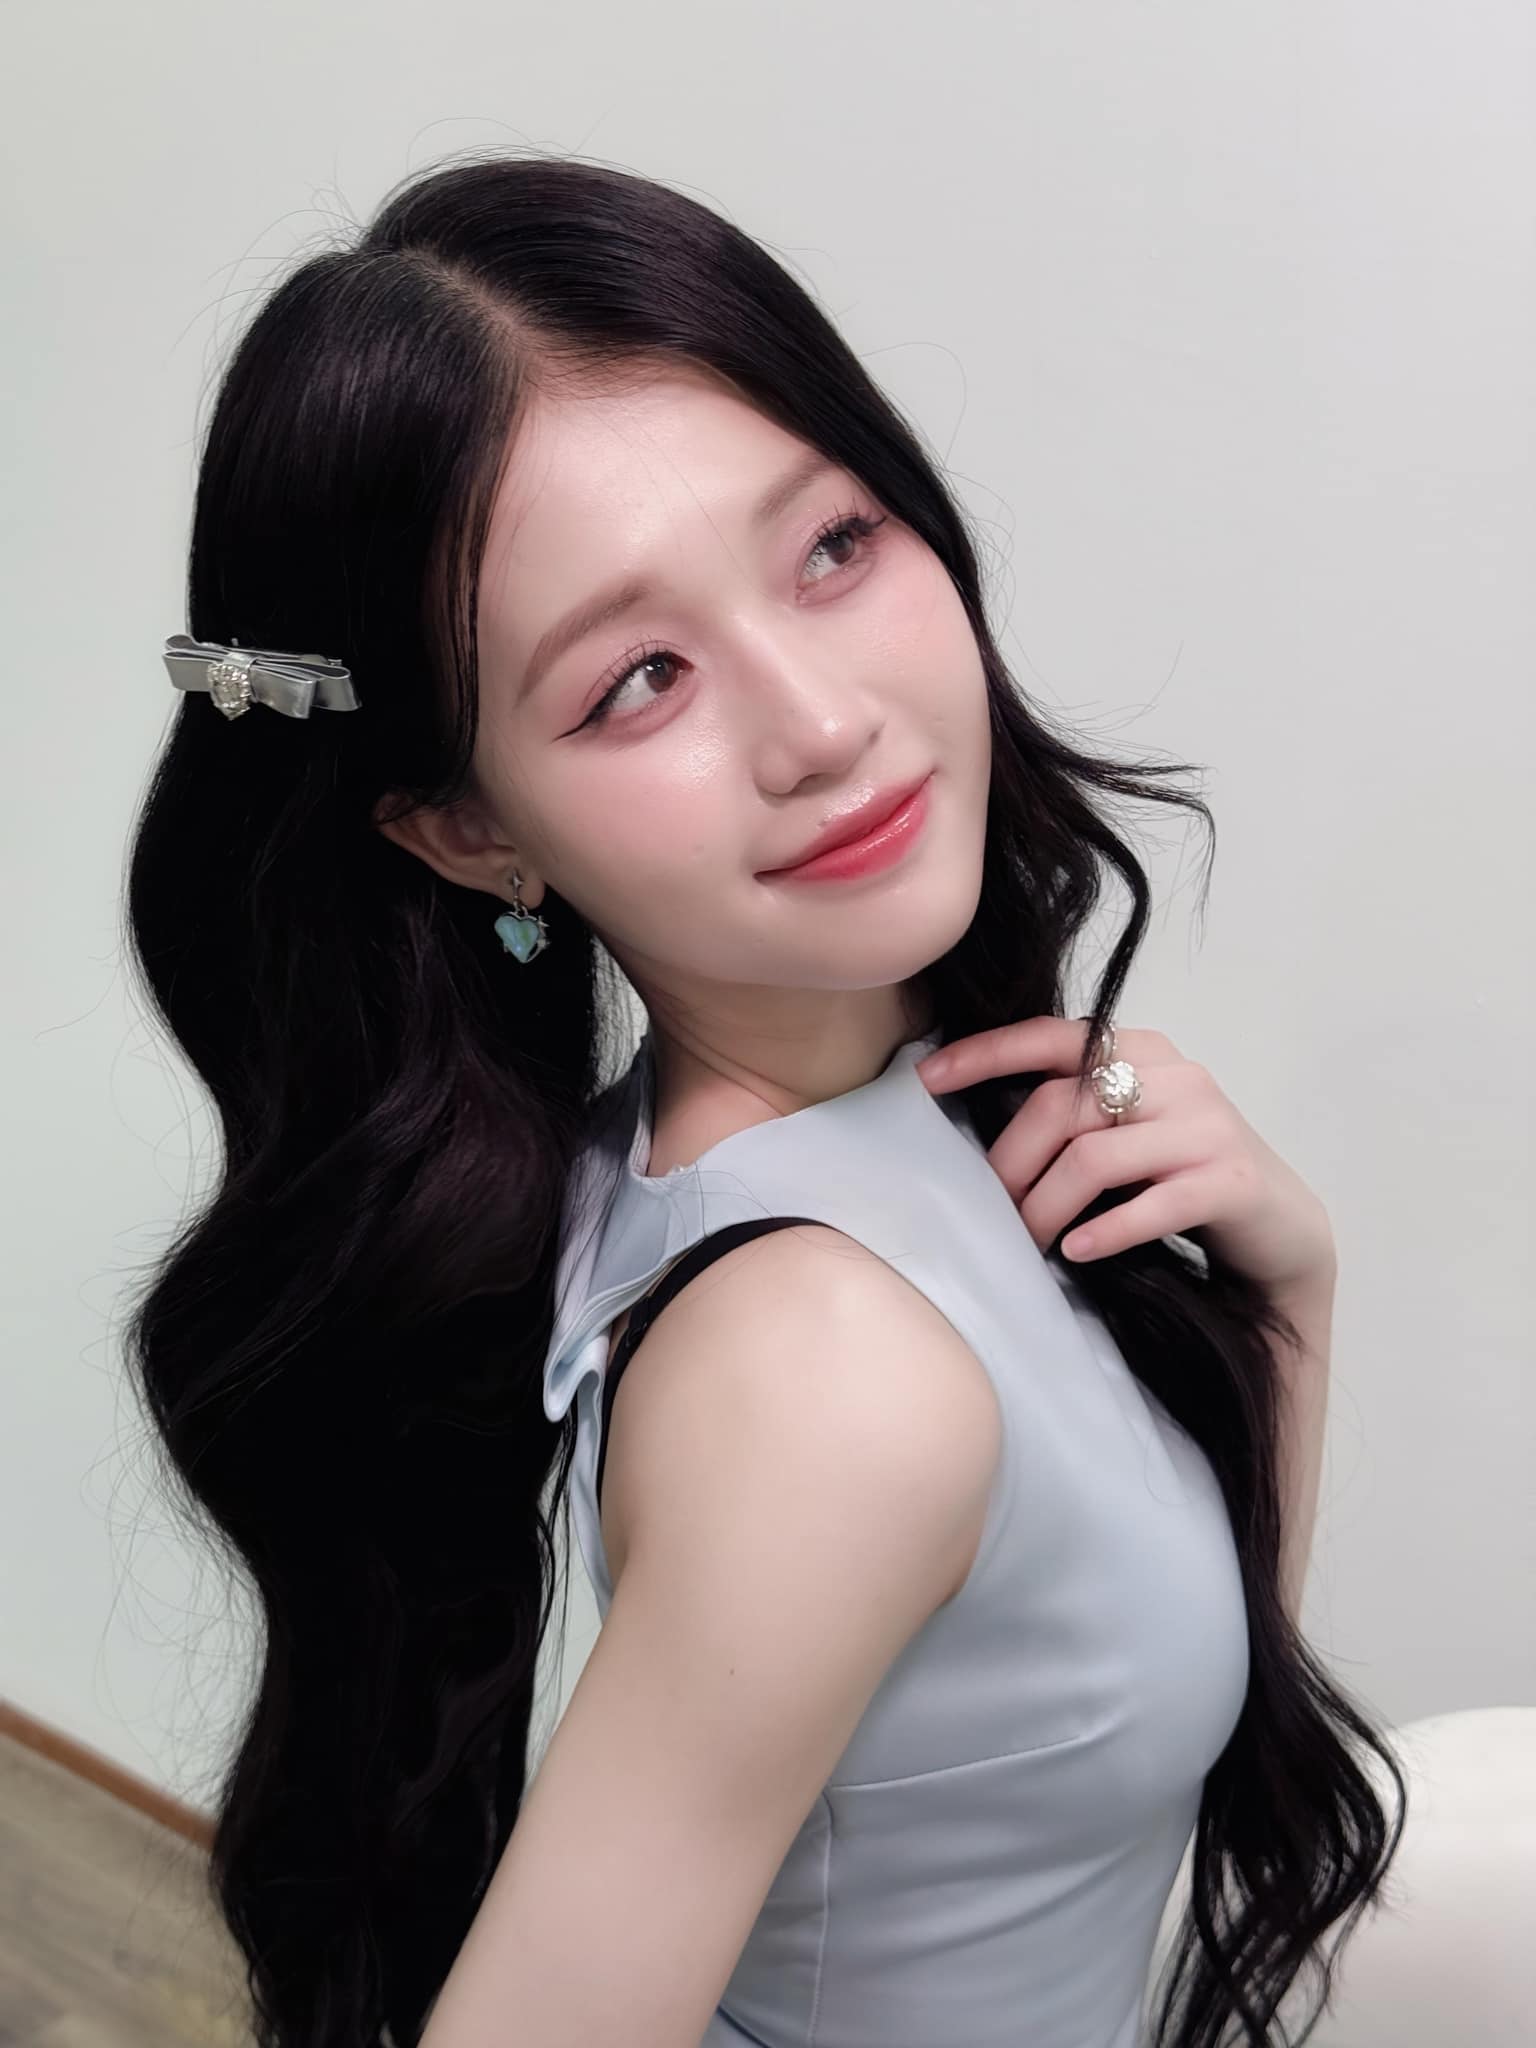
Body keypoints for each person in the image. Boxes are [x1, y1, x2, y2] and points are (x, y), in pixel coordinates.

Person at [125, 152, 1405, 2048]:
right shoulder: (823, 1372)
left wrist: (1286, 1287)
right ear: (471, 832)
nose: (821, 726)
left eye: (830, 547)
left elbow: (1117, 1733)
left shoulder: (838, 1132)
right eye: (639, 678)